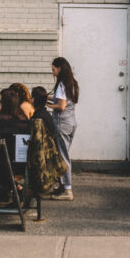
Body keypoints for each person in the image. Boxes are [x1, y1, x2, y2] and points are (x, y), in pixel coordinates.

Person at [47, 57, 79, 201]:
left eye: (54, 70)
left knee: (62, 156)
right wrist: (47, 100)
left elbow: (60, 106)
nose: (53, 73)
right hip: (71, 123)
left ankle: (67, 190)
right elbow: (62, 101)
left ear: (60, 68)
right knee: (62, 154)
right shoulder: (72, 83)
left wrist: (47, 105)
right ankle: (62, 185)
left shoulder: (61, 85)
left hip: (61, 124)